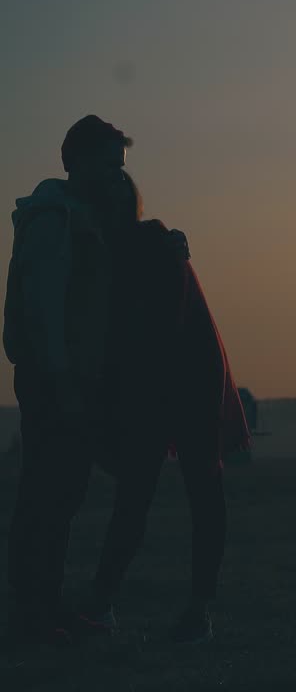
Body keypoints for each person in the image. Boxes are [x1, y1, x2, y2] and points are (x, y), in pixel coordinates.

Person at [75, 171, 250, 643]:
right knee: (139, 498)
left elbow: (161, 326)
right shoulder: (117, 250)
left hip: (182, 387)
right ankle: (106, 601)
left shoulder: (148, 246)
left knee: (193, 492)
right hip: (152, 390)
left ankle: (194, 609)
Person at [3, 116, 132, 644]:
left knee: (59, 498)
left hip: (70, 380)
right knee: (46, 498)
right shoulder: (54, 219)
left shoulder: (82, 216)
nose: (116, 177)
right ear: (76, 161)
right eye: (108, 165)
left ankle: (44, 609)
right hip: (56, 381)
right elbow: (43, 310)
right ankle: (33, 615)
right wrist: (62, 383)